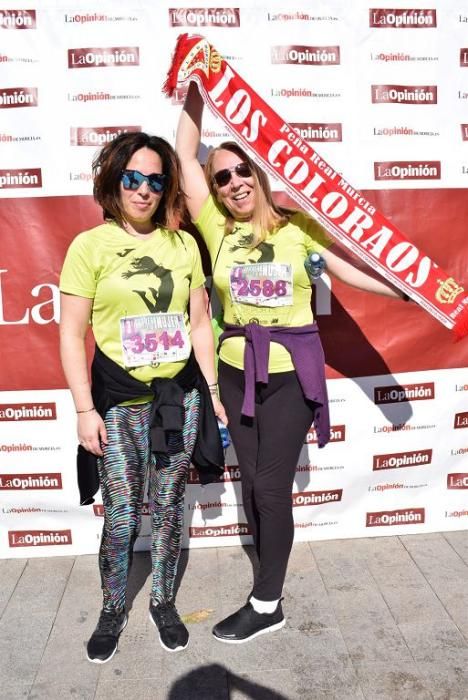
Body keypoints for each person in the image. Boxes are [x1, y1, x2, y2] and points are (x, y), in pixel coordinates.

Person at [176, 83, 407, 644]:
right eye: (222, 176)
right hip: (235, 370)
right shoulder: (217, 230)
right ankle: (268, 580)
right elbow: (184, 153)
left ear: (260, 173)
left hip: (289, 376)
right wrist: (197, 81)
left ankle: (267, 602)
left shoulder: (299, 228)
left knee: (272, 488)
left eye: (241, 172)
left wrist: (412, 295)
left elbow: (350, 273)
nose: (233, 183)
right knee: (253, 482)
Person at [59, 131, 227, 663]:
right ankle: (114, 607)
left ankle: (162, 602)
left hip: (179, 395)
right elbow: (70, 334)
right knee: (125, 512)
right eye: (133, 177)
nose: (144, 189)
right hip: (118, 399)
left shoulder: (182, 246)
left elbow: (200, 323)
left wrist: (214, 392)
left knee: (171, 503)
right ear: (115, 180)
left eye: (156, 180)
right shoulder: (89, 246)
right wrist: (85, 410)